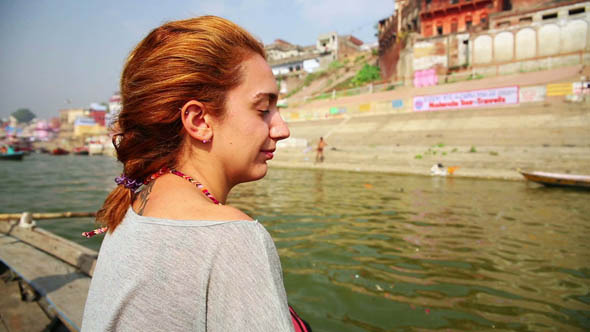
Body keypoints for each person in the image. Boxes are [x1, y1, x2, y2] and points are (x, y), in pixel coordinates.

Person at [81, 16, 311, 332]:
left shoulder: (131, 209)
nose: (282, 129)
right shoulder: (232, 238)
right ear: (199, 120)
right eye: (263, 110)